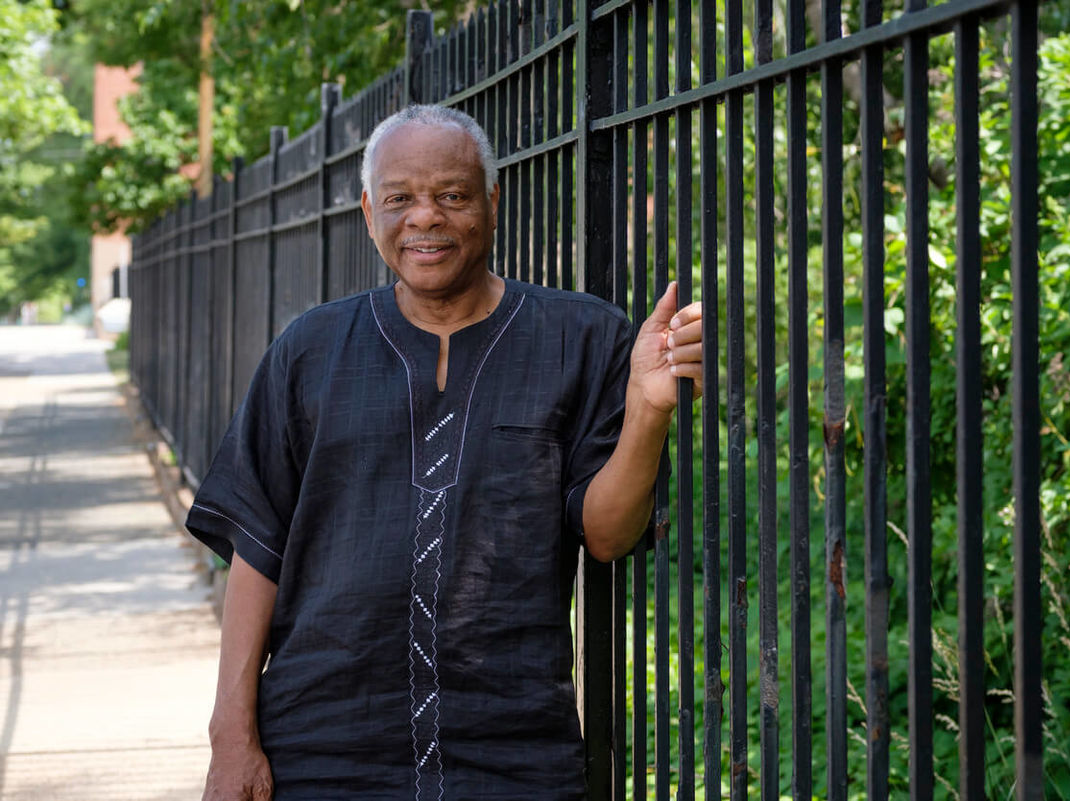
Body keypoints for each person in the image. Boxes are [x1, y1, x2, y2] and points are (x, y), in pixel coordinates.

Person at [188, 104, 702, 801]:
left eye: (452, 195)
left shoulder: (583, 339)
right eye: (400, 198)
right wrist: (232, 736)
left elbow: (608, 535)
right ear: (370, 211)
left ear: (492, 202)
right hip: (322, 746)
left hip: (511, 750)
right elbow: (256, 548)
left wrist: (647, 409)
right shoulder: (310, 351)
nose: (424, 217)